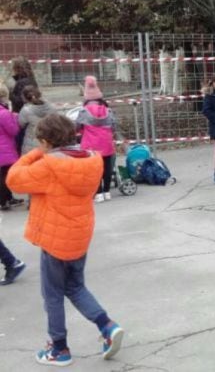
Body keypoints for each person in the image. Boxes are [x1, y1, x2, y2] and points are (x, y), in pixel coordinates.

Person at [7, 113, 124, 366]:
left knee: (53, 295)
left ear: (46, 142)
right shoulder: (91, 159)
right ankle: (107, 326)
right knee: (75, 287)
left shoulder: (49, 165)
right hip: (79, 235)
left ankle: (59, 349)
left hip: (55, 239)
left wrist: (37, 153)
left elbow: (13, 178)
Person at [75, 76, 117, 202]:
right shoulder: (107, 110)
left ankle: (98, 193)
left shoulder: (83, 111)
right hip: (106, 144)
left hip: (90, 145)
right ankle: (107, 191)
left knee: (94, 169)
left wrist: (80, 131)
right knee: (107, 168)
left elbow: (77, 127)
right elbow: (113, 126)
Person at [0, 83, 23, 211]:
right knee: (5, 176)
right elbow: (13, 131)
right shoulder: (4, 113)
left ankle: (8, 198)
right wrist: (14, 118)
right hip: (5, 150)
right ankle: (4, 200)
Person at [19, 85, 57, 155]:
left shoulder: (25, 110)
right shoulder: (51, 107)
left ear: (24, 98)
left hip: (31, 142)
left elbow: (21, 124)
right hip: (48, 142)